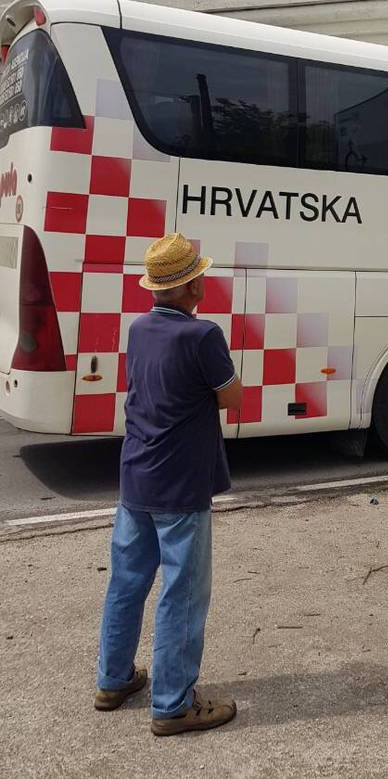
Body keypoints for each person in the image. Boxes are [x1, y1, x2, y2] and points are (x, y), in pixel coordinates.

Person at [94, 233, 243, 736]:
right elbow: (231, 398)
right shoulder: (202, 336)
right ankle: (173, 703)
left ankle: (113, 680)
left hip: (135, 472)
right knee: (181, 592)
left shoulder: (139, 329)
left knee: (127, 582)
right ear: (190, 286)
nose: (203, 279)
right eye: (198, 274)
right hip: (180, 481)